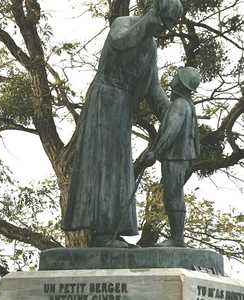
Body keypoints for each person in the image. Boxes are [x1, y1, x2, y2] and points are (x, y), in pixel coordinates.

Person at [63, 0, 184, 247]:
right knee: (104, 164)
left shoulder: (150, 47)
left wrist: (174, 116)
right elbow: (121, 42)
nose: (166, 29)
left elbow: (154, 89)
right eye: (166, 21)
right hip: (104, 99)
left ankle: (110, 232)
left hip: (122, 107)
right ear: (155, 13)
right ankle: (102, 233)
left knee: (118, 167)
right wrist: (149, 22)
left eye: (170, 25)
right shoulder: (124, 24)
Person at [145, 67, 201, 247]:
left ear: (181, 83)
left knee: (173, 195)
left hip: (175, 156)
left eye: (176, 77)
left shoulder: (179, 105)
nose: (172, 80)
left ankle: (177, 239)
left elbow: (171, 132)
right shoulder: (185, 104)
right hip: (179, 157)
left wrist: (156, 152)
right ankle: (177, 237)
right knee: (172, 194)